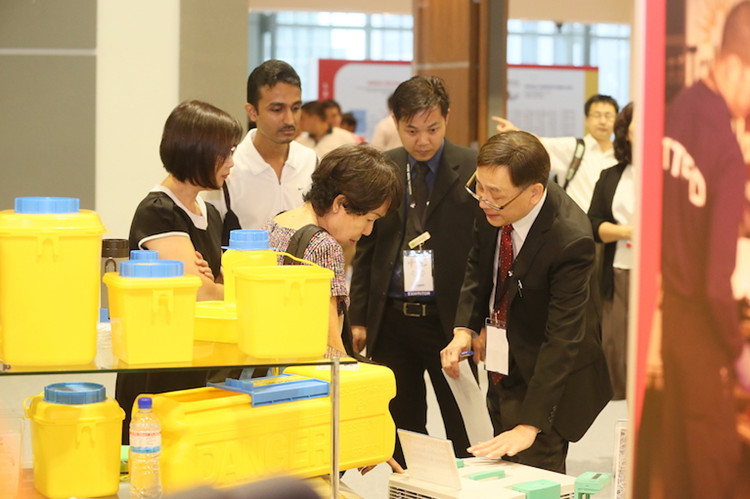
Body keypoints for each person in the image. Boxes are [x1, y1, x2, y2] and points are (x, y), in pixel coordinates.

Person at [440, 130, 612, 474]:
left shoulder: (570, 239)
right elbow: (479, 265)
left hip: (546, 374)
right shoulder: (492, 204)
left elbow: (563, 338)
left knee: (534, 478)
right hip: (502, 357)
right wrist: (464, 329)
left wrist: (531, 424)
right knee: (496, 470)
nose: (483, 201)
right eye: (479, 187)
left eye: (495, 194)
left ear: (534, 193)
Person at [349, 75, 492, 468]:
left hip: (450, 322)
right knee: (402, 428)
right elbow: (367, 247)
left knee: (465, 426)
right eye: (411, 130)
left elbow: (484, 254)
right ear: (395, 122)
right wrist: (358, 317)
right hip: (393, 321)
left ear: (447, 118)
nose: (423, 140)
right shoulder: (385, 167)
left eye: (433, 129)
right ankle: (411, 491)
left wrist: (477, 322)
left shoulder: (472, 169)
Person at [656, 2, 750, 496]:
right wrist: (737, 348)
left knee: (675, 465)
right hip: (704, 335)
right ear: (736, 66)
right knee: (713, 470)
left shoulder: (677, 112)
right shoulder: (728, 154)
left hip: (671, 325)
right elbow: (717, 282)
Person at [117, 99, 243, 442]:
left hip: (198, 365)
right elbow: (201, 293)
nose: (231, 163)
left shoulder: (210, 212)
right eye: (225, 154)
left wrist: (216, 285)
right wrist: (219, 287)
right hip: (159, 373)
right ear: (197, 151)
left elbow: (216, 285)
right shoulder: (159, 211)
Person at [264, 144, 402, 357]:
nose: (368, 231)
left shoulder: (277, 222)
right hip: (305, 368)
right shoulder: (324, 246)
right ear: (340, 203)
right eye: (369, 219)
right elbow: (329, 344)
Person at [202, 59, 317, 232]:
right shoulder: (228, 169)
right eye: (277, 109)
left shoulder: (311, 162)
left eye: (295, 108)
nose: (289, 120)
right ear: (252, 112)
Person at [493, 94, 619, 212]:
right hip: (578, 223)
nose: (603, 121)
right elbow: (538, 144)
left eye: (608, 116)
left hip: (609, 226)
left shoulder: (621, 155)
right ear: (586, 119)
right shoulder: (574, 147)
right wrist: (514, 131)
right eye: (597, 115)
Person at [587, 103, 634, 401]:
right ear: (626, 131)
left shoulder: (672, 176)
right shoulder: (611, 176)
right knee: (616, 346)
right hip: (618, 272)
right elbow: (593, 224)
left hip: (662, 277)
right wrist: (627, 232)